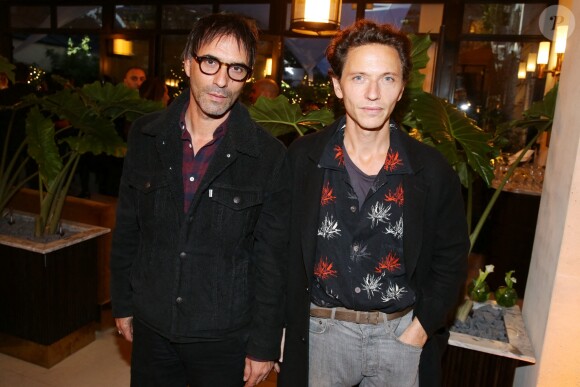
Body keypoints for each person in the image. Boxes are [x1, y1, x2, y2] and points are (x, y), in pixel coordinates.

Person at [278, 19, 469, 387]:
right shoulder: (303, 158)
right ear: (337, 85)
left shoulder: (429, 169)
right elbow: (277, 249)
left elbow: (452, 256)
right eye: (359, 78)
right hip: (321, 333)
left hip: (399, 334)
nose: (373, 93)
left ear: (400, 90)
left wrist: (421, 329)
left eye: (387, 78)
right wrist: (280, 329)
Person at [110, 13, 291, 387]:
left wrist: (263, 345)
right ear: (188, 62)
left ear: (248, 77)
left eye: (237, 69)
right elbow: (128, 227)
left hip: (224, 336)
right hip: (152, 323)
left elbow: (271, 261)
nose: (222, 80)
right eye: (211, 62)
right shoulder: (146, 136)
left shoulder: (268, 156)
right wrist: (123, 302)